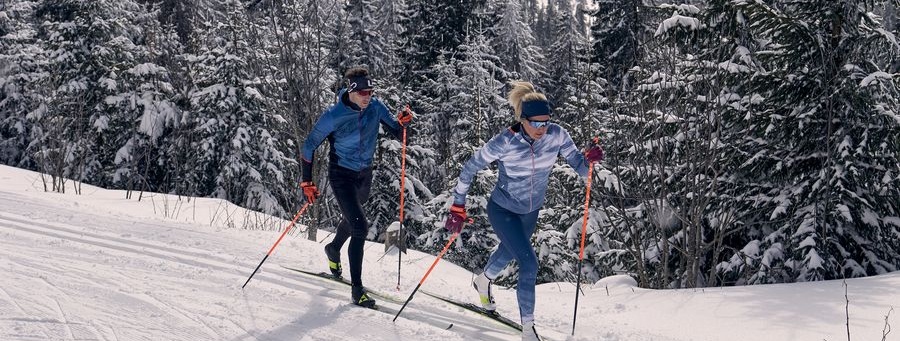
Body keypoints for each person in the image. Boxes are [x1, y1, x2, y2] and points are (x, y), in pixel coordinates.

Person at [444, 81, 603, 341]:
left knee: (508, 252)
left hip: (530, 212)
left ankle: (483, 281)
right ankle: (527, 329)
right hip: (503, 210)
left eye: (546, 122)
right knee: (529, 262)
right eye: (536, 123)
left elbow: (581, 168)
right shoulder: (504, 142)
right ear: (523, 119)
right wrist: (458, 205)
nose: (542, 129)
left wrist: (590, 160)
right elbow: (470, 168)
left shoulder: (557, 135)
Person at [299, 67, 413, 308]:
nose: (367, 97)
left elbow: (398, 132)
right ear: (350, 91)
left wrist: (403, 123)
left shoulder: (375, 107)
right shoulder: (334, 115)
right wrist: (306, 181)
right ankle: (357, 290)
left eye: (370, 92)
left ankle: (333, 248)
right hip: (341, 175)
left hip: (364, 175)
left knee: (352, 219)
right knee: (360, 226)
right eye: (362, 92)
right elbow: (309, 146)